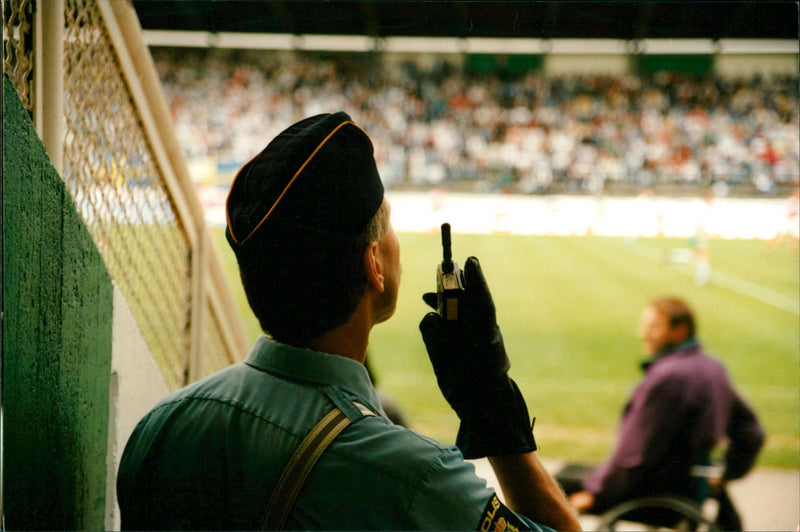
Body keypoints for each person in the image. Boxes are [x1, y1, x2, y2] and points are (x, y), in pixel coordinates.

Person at [116, 112, 580, 531]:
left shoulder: (159, 428)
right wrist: (493, 408)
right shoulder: (417, 480)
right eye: (389, 225)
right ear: (374, 263)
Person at [559, 297, 764, 528]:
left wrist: (596, 493)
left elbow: (634, 456)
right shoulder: (712, 368)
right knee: (572, 471)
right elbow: (751, 433)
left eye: (653, 327)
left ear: (680, 330)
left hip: (658, 494)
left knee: (557, 484)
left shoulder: (668, 378)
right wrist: (725, 471)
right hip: (691, 487)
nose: (643, 334)